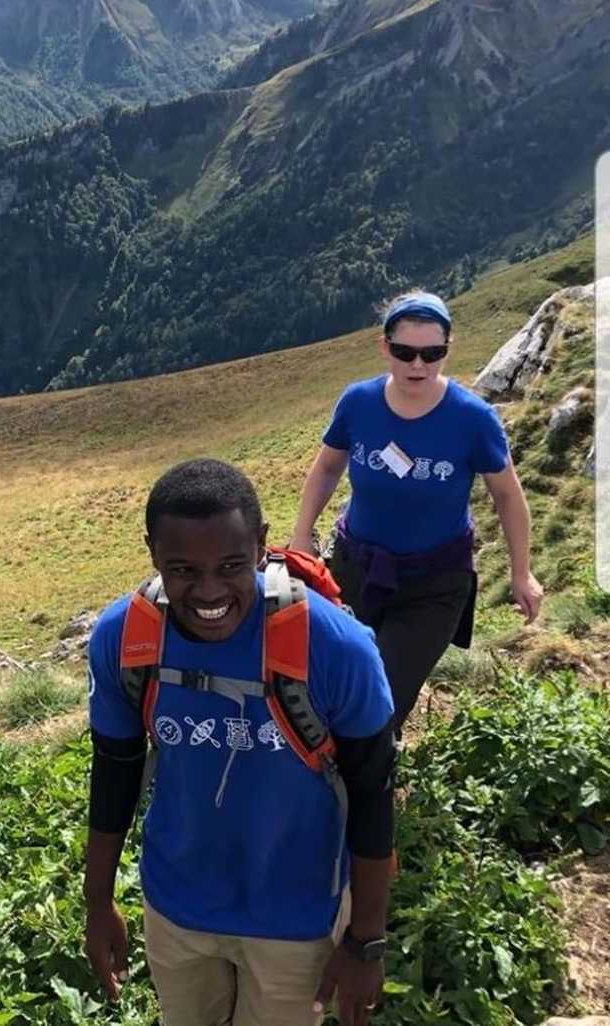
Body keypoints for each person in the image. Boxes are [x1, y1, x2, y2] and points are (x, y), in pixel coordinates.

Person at [84, 458, 396, 1026]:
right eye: (183, 569)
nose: (208, 591)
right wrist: (98, 902)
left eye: (231, 565)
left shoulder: (337, 650)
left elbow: (373, 796)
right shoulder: (125, 640)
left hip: (298, 920)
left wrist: (365, 941)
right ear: (152, 552)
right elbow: (114, 771)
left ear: (261, 547)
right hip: (176, 909)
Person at [290, 290, 543, 731]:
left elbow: (508, 496)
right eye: (405, 352)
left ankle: (368, 786)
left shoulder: (472, 418)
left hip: (434, 582)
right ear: (384, 347)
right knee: (332, 681)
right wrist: (301, 534)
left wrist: (521, 573)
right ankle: (323, 782)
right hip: (354, 568)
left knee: (379, 701)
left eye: (433, 353)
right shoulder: (358, 403)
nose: (419, 366)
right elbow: (328, 466)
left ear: (448, 348)